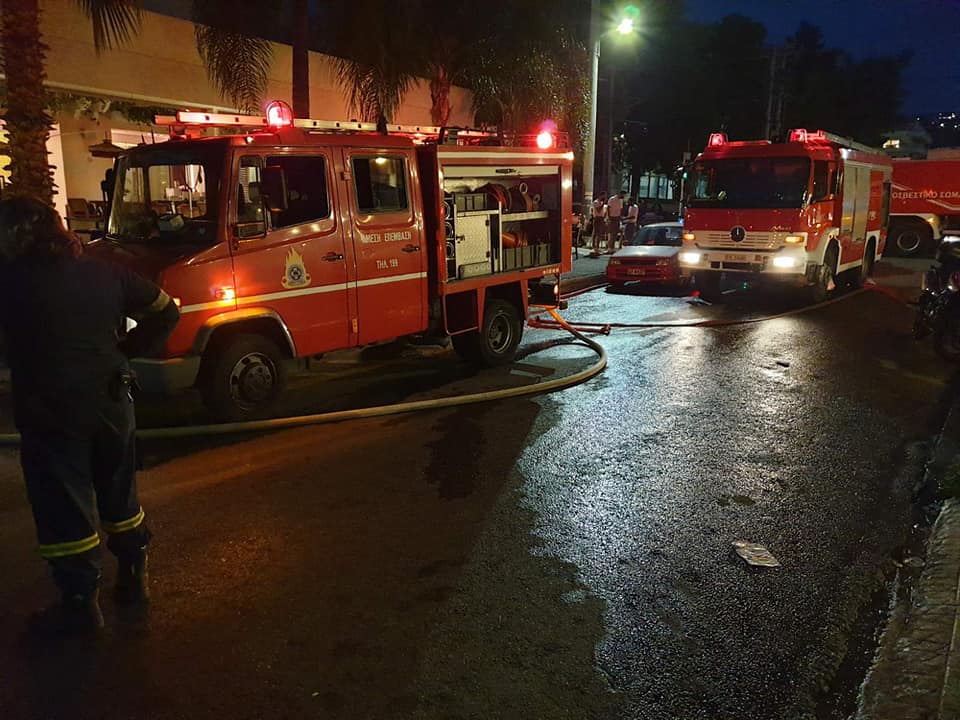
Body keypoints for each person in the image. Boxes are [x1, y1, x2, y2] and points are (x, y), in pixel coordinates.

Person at [0, 197, 179, 634]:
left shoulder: (10, 282)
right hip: (112, 401)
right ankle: (134, 574)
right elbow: (166, 312)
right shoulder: (104, 273)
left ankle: (80, 601)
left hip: (51, 411)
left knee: (64, 502)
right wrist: (125, 353)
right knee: (119, 490)